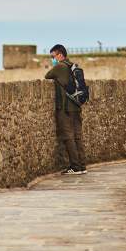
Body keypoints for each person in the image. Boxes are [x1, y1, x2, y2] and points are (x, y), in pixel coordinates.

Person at [44, 44, 87, 174]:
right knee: (77, 136)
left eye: (53, 56)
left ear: (60, 55)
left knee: (69, 137)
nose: (52, 59)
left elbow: (47, 75)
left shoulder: (60, 67)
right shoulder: (72, 66)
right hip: (76, 105)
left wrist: (55, 66)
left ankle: (75, 166)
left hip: (65, 107)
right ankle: (82, 165)